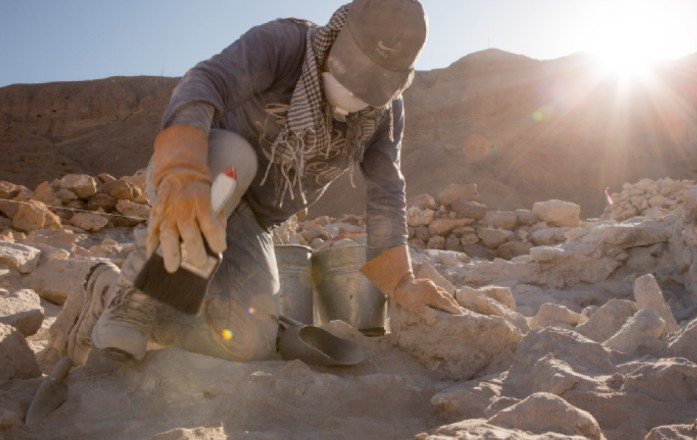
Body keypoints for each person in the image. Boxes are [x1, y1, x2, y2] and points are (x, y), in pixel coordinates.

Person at [49, 0, 461, 366]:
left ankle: (108, 292)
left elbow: (387, 187)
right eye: (350, 72)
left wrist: (402, 282)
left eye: (372, 86)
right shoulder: (284, 44)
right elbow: (204, 83)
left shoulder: (384, 114)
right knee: (235, 158)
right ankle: (133, 303)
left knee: (249, 345)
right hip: (202, 177)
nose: (356, 93)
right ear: (336, 36)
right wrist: (183, 170)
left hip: (253, 222)